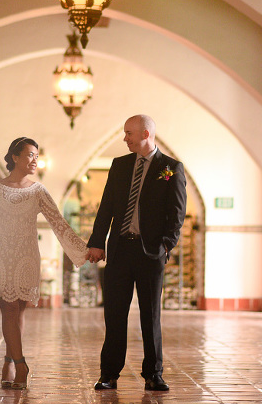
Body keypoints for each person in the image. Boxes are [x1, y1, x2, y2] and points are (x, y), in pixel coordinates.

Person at [0, 137, 88, 390]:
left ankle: (8, 360)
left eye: (37, 156)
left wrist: (84, 250)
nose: (34, 160)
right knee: (9, 310)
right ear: (15, 157)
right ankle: (21, 364)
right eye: (30, 155)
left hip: (26, 258)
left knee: (18, 311)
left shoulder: (38, 190)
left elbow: (58, 223)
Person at [86, 115, 187, 392]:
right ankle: (109, 374)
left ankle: (154, 374)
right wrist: (97, 242)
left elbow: (177, 214)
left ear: (145, 133)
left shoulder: (171, 168)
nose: (125, 138)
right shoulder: (120, 165)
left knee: (150, 315)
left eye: (129, 133)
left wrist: (166, 245)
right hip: (120, 250)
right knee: (114, 314)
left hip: (150, 252)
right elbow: (106, 207)